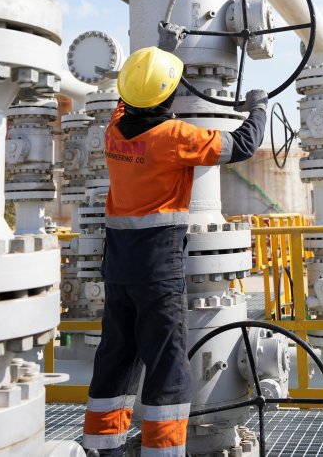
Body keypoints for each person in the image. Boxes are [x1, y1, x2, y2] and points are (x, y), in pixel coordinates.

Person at [82, 46, 268, 457]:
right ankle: (162, 452)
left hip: (117, 268)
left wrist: (158, 53)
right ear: (168, 97)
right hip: (157, 269)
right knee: (166, 366)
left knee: (116, 355)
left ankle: (103, 447)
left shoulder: (114, 131)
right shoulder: (174, 137)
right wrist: (259, 107)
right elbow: (241, 145)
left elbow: (126, 101)